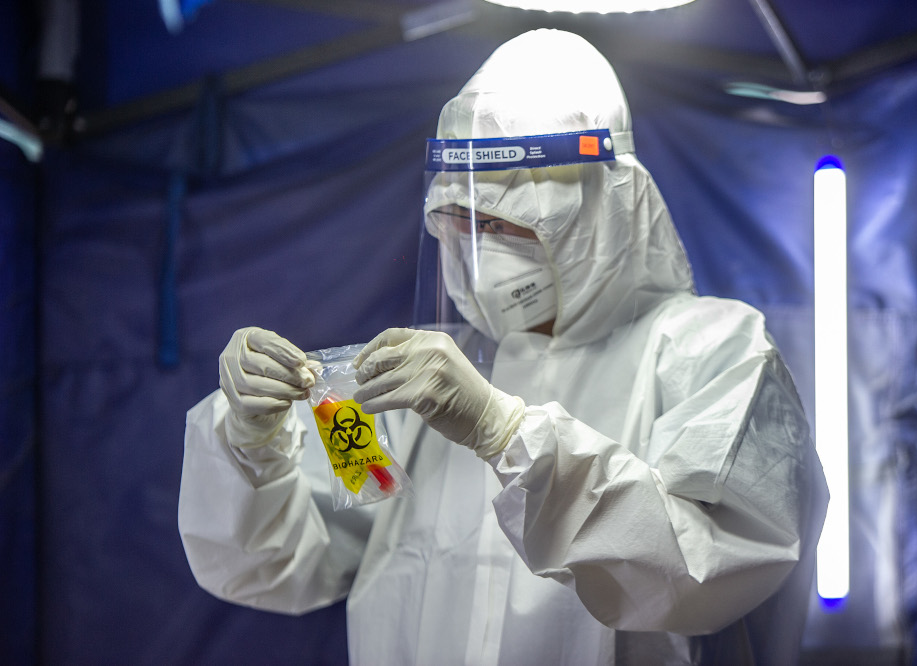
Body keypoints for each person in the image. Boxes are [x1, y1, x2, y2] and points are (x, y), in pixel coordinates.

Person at [179, 29, 828, 665]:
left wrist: (504, 431)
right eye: (464, 224)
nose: (481, 253)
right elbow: (277, 567)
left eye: (508, 224)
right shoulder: (422, 384)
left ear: (601, 208)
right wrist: (251, 445)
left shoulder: (710, 350)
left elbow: (709, 571)